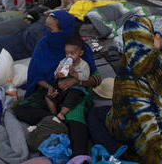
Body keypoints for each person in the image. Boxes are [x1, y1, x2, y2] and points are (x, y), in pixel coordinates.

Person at [15, 10, 101, 156]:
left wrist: (76, 80)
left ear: (64, 31)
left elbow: (96, 78)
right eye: (46, 28)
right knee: (21, 109)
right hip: (51, 89)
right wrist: (48, 87)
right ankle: (58, 120)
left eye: (50, 29)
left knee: (75, 114)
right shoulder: (44, 45)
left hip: (76, 89)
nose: (46, 32)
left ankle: (78, 155)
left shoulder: (79, 47)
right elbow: (36, 75)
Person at [105, 16, 162, 164]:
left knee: (101, 116)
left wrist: (153, 150)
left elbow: (140, 119)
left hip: (153, 140)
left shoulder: (128, 75)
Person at [45, 36, 90, 121]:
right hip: (62, 86)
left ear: (80, 53)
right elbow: (56, 73)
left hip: (76, 88)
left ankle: (62, 113)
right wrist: (58, 74)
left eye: (72, 53)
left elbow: (85, 77)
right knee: (50, 95)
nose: (69, 56)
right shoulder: (63, 61)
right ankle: (53, 114)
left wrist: (73, 73)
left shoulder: (84, 65)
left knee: (73, 96)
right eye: (67, 53)